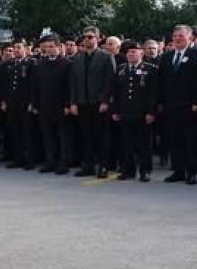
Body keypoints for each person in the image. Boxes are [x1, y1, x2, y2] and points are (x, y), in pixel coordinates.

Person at [69, 26, 116, 178]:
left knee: (101, 136)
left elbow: (110, 81)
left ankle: (103, 166)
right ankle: (87, 165)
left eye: (90, 37)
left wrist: (105, 101)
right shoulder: (77, 58)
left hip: (99, 103)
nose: (87, 40)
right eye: (85, 37)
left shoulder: (106, 56)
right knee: (86, 136)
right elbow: (74, 83)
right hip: (83, 102)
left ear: (97, 38)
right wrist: (73, 102)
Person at [111, 41, 158, 182]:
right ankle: (128, 169)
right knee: (127, 144)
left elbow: (153, 94)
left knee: (144, 144)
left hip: (142, 113)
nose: (131, 54)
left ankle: (145, 170)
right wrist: (116, 111)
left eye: (134, 51)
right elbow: (116, 93)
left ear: (141, 53)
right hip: (125, 112)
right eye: (129, 52)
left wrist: (151, 112)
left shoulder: (150, 69)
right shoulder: (121, 69)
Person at [157, 25, 197, 184]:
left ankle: (192, 171)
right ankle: (178, 171)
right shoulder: (166, 57)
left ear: (190, 37)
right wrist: (159, 102)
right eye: (175, 36)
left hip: (190, 106)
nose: (177, 38)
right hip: (171, 106)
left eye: (181, 36)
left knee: (191, 140)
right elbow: (161, 82)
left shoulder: (195, 55)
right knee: (174, 139)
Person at [31, 33, 73, 174]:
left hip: (61, 106)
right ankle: (51, 161)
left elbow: (70, 86)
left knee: (63, 137)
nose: (49, 49)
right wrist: (35, 104)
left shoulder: (67, 64)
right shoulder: (41, 64)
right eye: (46, 47)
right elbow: (36, 87)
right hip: (45, 106)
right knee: (48, 136)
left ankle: (64, 162)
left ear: (59, 47)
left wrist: (68, 104)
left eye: (51, 46)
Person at [1, 40, 36, 169]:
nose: (16, 50)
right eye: (14, 48)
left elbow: (33, 85)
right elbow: (6, 85)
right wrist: (4, 101)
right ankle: (18, 158)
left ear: (25, 49)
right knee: (15, 132)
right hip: (12, 103)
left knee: (27, 133)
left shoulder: (30, 64)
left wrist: (32, 102)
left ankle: (30, 160)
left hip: (25, 103)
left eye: (19, 47)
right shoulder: (9, 65)